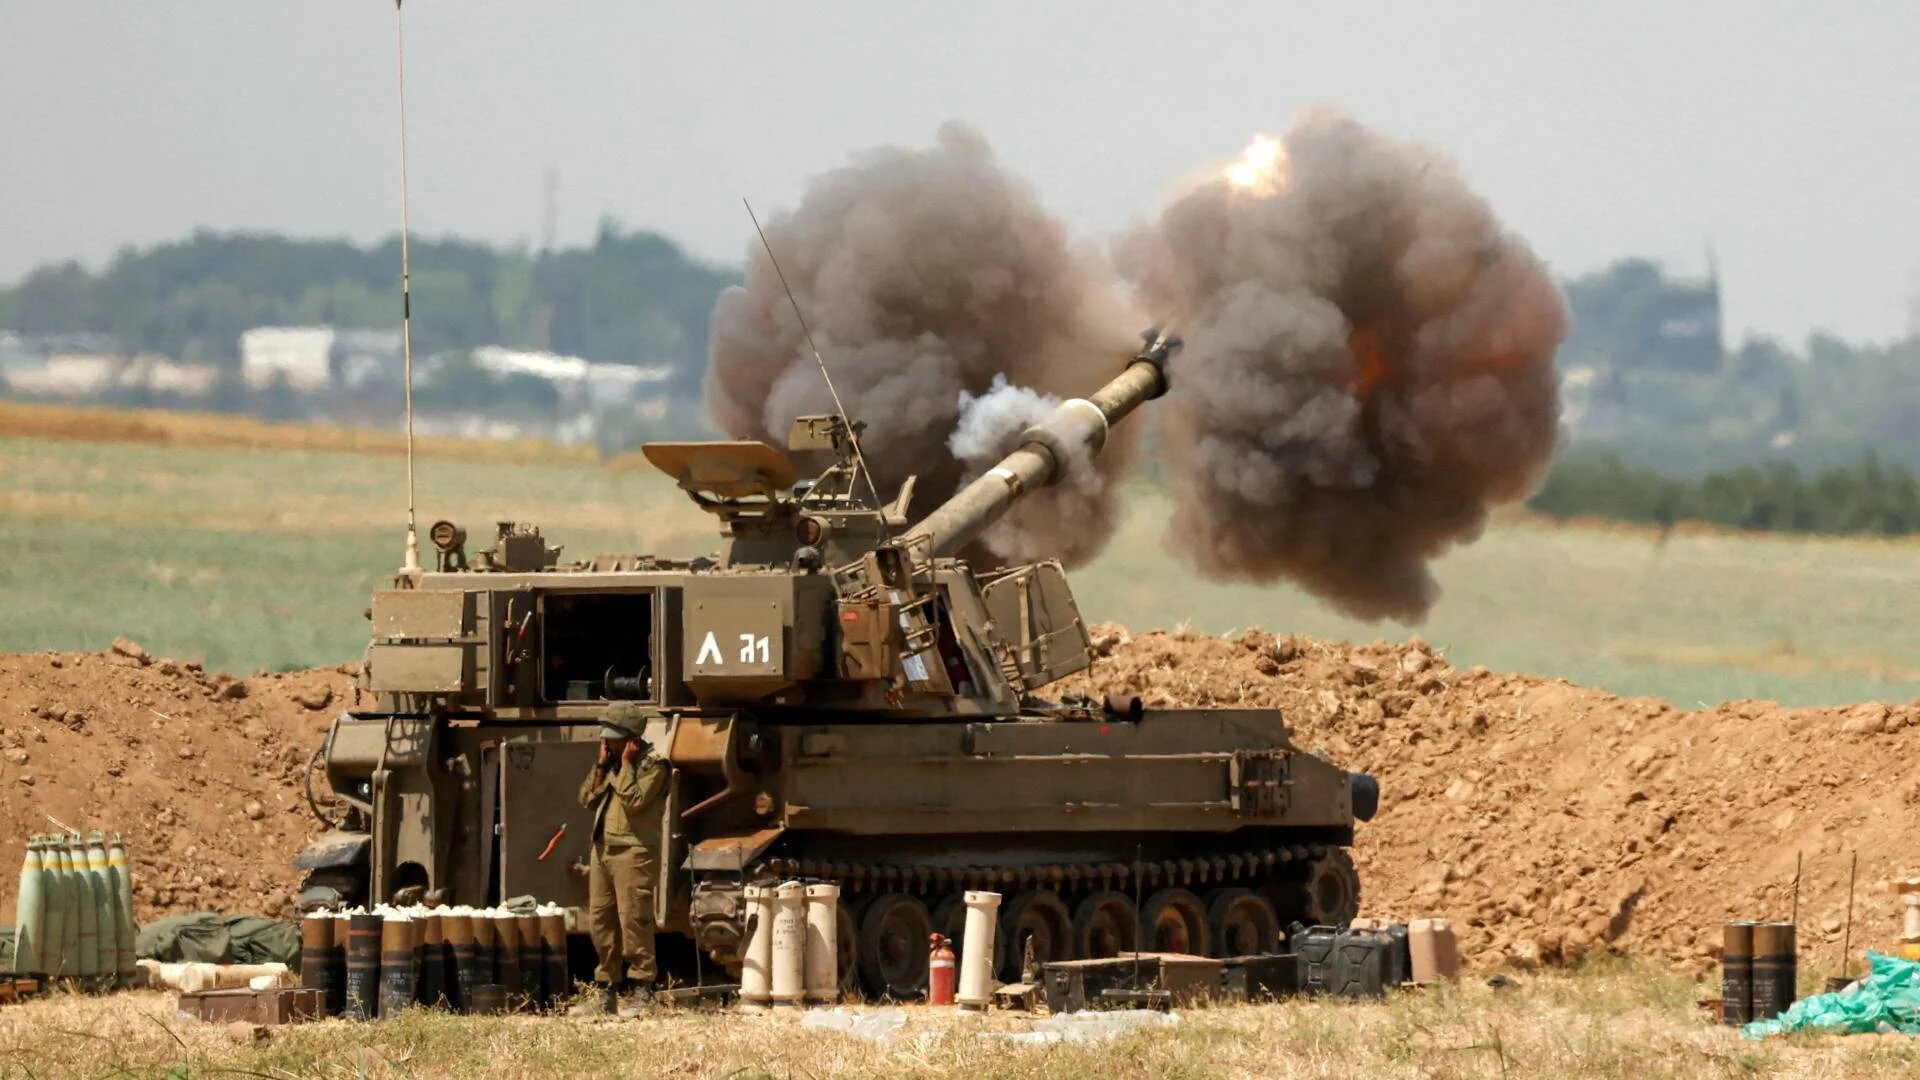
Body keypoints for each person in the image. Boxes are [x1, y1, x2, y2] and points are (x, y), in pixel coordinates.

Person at [576, 702, 667, 1014]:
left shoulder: (654, 765)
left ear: (631, 739)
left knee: (634, 924)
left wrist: (626, 765)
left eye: (614, 739)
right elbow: (586, 799)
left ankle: (643, 991)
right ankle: (606, 992)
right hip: (602, 850)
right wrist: (602, 767)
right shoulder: (611, 764)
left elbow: (635, 800)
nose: (607, 744)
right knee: (600, 924)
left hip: (633, 852)